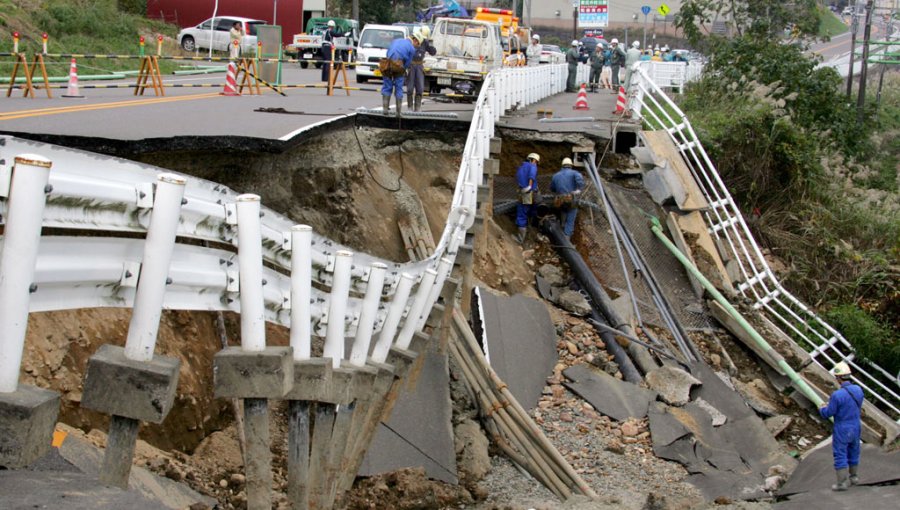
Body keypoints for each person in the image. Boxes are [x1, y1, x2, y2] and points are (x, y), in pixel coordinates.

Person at [819, 361, 864, 491]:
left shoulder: (837, 395)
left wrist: (821, 408)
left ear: (838, 378)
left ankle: (842, 483)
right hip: (856, 425)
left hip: (842, 427)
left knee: (840, 454)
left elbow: (828, 413)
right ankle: (854, 477)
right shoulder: (858, 390)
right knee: (854, 451)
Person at [381, 32, 421, 117]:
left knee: (387, 86)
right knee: (399, 88)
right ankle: (398, 113)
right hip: (399, 65)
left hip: (387, 64)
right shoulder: (411, 48)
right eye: (418, 44)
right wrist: (403, 69)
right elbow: (408, 63)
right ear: (415, 41)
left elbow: (388, 52)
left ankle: (385, 110)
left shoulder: (396, 41)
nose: (417, 46)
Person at [549, 158, 585, 238]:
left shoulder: (555, 175)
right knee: (570, 220)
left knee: (563, 214)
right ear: (571, 165)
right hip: (571, 199)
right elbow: (580, 182)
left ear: (562, 165)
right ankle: (567, 238)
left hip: (560, 200)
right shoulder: (574, 173)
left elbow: (552, 188)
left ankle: (561, 230)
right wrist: (578, 190)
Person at [406, 27, 436, 112]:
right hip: (411, 65)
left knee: (420, 88)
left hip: (419, 66)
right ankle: (410, 107)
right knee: (410, 88)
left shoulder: (425, 42)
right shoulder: (410, 40)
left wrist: (430, 45)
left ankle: (417, 108)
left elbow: (433, 52)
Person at [515, 153, 541, 243]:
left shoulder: (520, 167)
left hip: (523, 192)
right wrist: (530, 186)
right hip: (530, 193)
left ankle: (524, 235)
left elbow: (519, 179)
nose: (536, 164)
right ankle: (522, 239)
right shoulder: (532, 166)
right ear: (533, 160)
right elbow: (532, 175)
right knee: (528, 212)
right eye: (536, 162)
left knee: (522, 212)